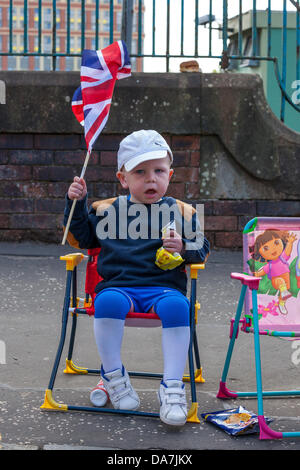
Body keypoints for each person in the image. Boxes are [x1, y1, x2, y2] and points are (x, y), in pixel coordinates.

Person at [64, 129, 210, 426]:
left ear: (170, 173)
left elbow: (203, 249)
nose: (151, 178)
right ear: (123, 178)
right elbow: (79, 237)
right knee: (107, 302)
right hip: (119, 286)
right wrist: (76, 203)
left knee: (178, 307)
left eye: (158, 170)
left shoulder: (182, 211)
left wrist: (184, 247)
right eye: (140, 172)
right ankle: (114, 375)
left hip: (163, 288)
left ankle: (171, 386)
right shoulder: (106, 210)